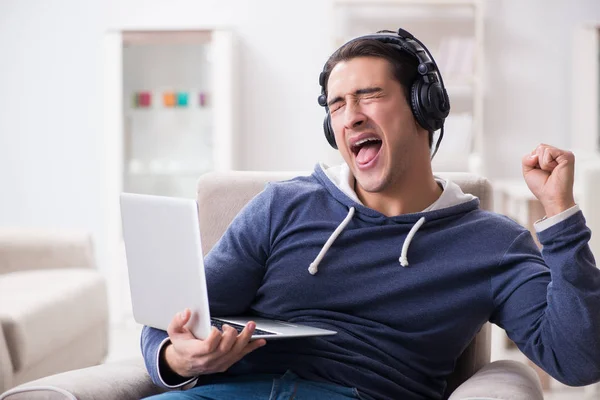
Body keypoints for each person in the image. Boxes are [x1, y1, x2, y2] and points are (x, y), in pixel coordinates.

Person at [140, 28, 600, 400]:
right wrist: (179, 360)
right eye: (337, 105)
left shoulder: (492, 243)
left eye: (369, 95)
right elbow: (169, 318)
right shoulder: (283, 205)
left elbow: (578, 360)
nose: (350, 117)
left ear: (425, 108)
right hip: (228, 392)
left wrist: (560, 216)